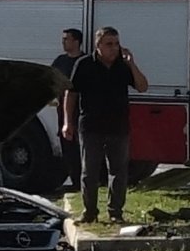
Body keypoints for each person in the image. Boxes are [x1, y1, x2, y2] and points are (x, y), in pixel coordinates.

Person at [63, 26, 149, 224]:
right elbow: (71, 93)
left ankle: (115, 212)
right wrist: (67, 122)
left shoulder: (122, 66)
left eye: (117, 44)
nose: (114, 48)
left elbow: (143, 87)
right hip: (91, 126)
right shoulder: (84, 64)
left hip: (118, 126)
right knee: (90, 172)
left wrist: (132, 65)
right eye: (109, 44)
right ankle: (90, 212)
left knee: (118, 171)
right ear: (98, 45)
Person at [51, 28, 84, 194]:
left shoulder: (85, 61)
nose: (63, 42)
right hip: (62, 110)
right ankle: (74, 181)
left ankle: (84, 182)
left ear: (76, 41)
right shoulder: (60, 61)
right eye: (63, 39)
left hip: (82, 111)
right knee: (68, 148)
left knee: (83, 148)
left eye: (67, 39)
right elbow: (52, 80)